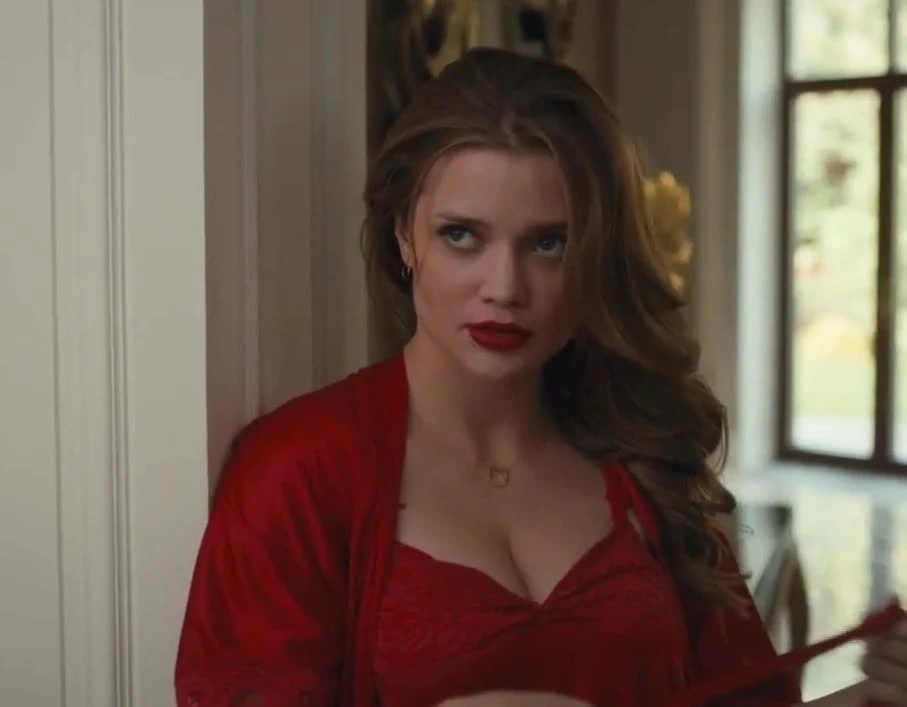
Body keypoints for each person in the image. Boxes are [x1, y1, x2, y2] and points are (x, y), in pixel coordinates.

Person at [174, 48, 907, 707]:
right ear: (403, 237)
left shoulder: (642, 460)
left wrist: (874, 698)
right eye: (461, 235)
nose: (505, 286)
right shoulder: (296, 473)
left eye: (549, 243)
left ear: (593, 255)